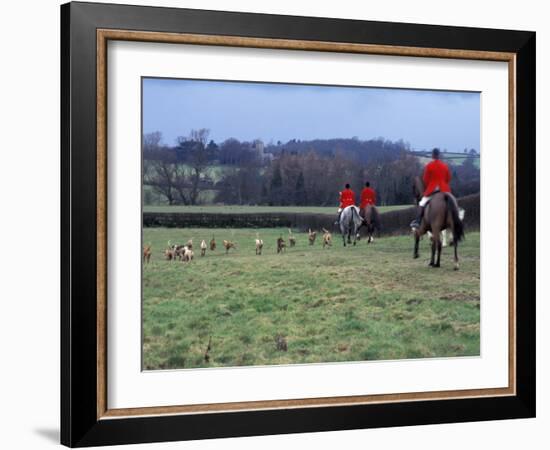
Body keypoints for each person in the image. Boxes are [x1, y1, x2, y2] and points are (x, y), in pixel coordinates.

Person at [410, 148, 451, 229]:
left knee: (422, 203)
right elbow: (448, 178)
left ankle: (418, 221)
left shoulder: (429, 166)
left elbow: (425, 179)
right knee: (452, 200)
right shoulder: (445, 165)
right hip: (444, 189)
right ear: (439, 155)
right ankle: (457, 215)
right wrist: (443, 184)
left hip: (432, 189)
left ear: (432, 156)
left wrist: (429, 185)